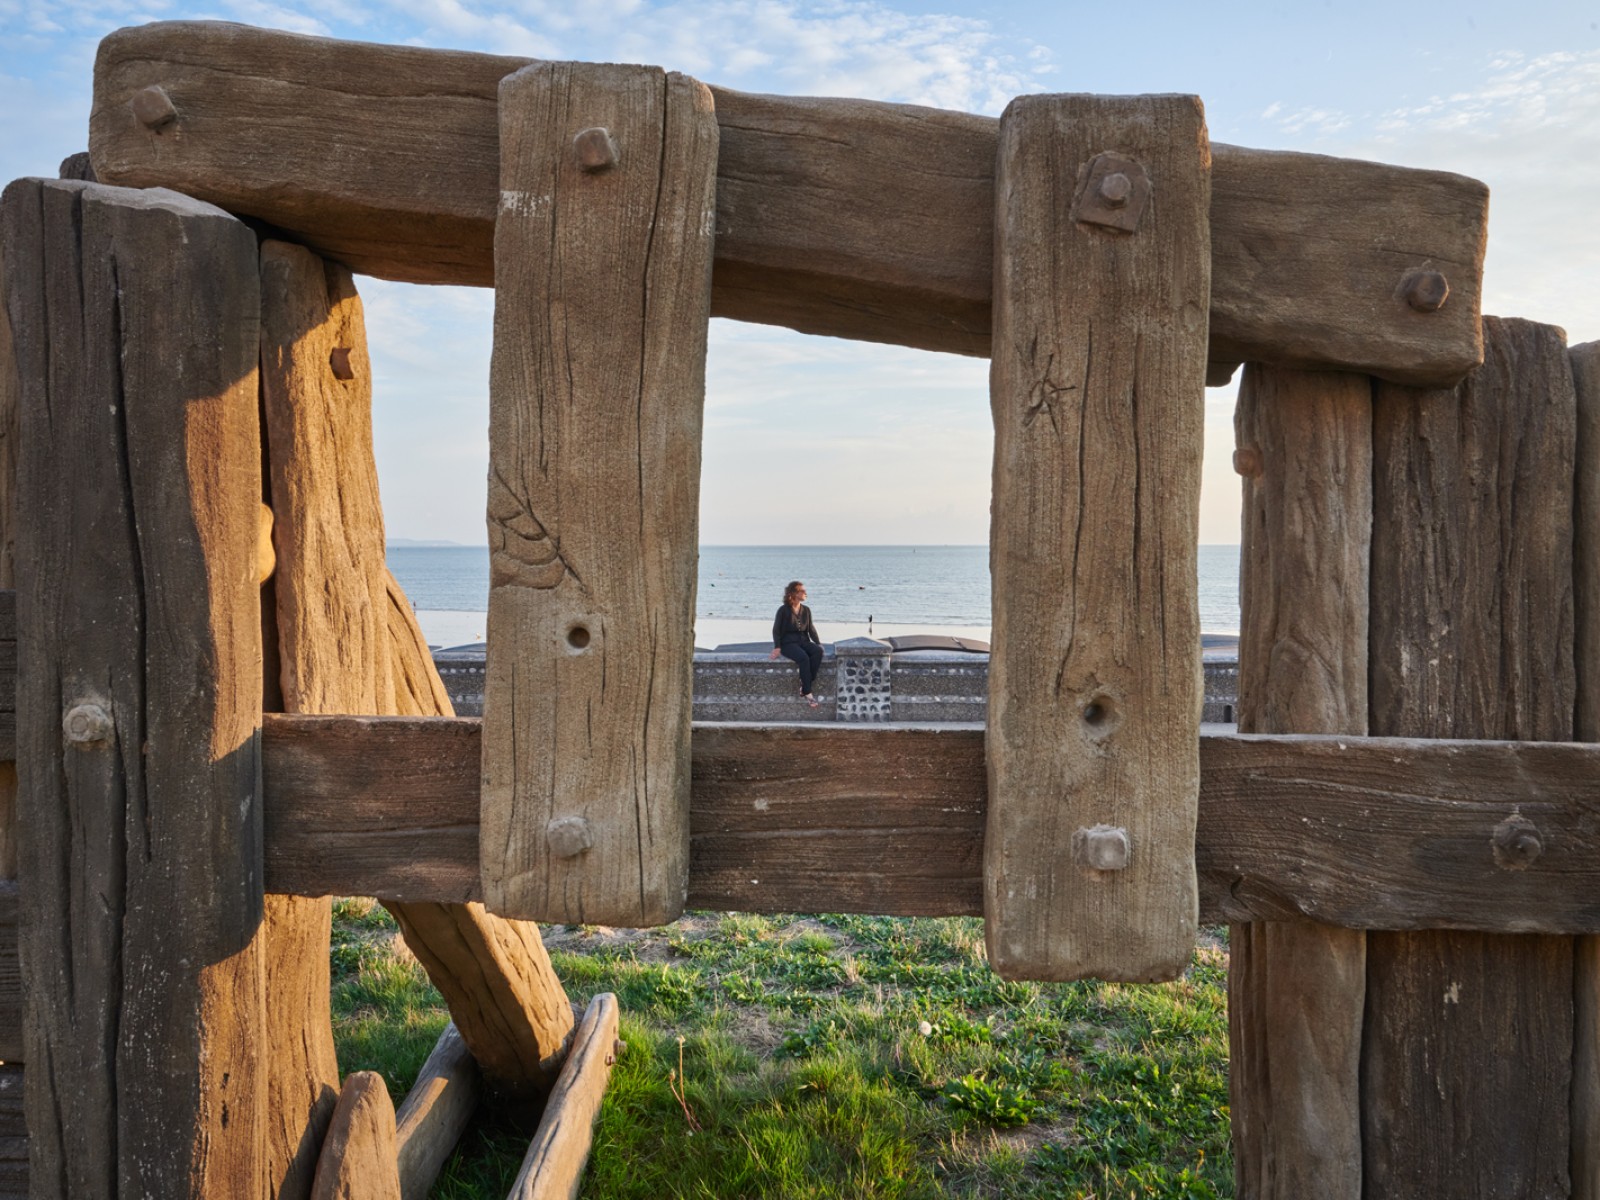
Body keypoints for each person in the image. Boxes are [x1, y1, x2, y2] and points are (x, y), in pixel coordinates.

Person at [770, 580, 823, 707]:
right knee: (803, 658)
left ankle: (805, 684)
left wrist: (818, 643)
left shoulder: (806, 610)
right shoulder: (783, 610)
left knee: (818, 651)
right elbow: (776, 630)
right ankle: (808, 692)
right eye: (803, 591)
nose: (806, 593)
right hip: (788, 644)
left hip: (803, 641)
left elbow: (811, 628)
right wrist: (777, 647)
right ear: (794, 593)